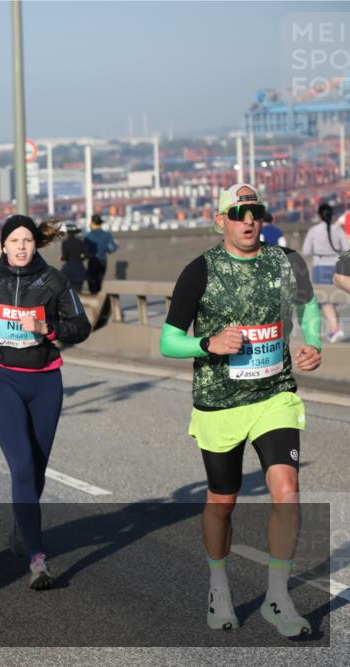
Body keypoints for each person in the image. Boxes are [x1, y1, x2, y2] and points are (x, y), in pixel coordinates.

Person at [159, 183, 322, 637]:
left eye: (255, 211)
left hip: (275, 395)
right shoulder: (200, 271)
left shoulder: (286, 262)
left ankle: (277, 596)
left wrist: (312, 343)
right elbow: (167, 340)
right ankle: (218, 585)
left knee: (286, 490)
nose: (248, 219)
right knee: (222, 503)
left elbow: (308, 308)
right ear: (220, 221)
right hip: (220, 403)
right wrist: (206, 343)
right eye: (238, 212)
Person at [0, 214, 91, 589]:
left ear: (36, 245)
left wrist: (49, 329)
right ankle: (38, 559)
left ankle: (22, 528)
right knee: (21, 465)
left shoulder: (54, 281)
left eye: (27, 241)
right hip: (1, 379)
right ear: (2, 245)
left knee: (37, 468)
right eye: (13, 241)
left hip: (45, 381)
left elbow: (81, 326)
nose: (20, 247)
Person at [302, 202, 348, 343]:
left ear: (319, 215)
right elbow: (346, 249)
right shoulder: (338, 231)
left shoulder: (314, 230)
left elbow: (306, 250)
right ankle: (335, 331)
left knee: (325, 300)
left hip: (320, 267)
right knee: (335, 299)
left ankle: (335, 329)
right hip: (337, 268)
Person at [83, 214, 119, 294]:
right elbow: (113, 248)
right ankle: (100, 299)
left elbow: (84, 251)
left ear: (92, 223)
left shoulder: (88, 236)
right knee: (99, 282)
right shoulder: (107, 235)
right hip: (103, 261)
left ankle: (95, 301)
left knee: (92, 283)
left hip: (92, 262)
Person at [60, 224, 88, 293]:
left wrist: (62, 258)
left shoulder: (65, 243)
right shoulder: (80, 242)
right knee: (78, 292)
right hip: (79, 268)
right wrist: (80, 259)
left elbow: (65, 257)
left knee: (69, 291)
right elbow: (86, 255)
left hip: (68, 270)